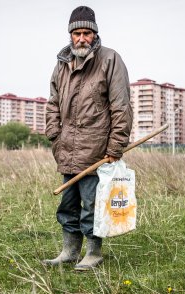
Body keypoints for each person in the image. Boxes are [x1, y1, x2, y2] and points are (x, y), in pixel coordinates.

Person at [43, 6, 133, 271]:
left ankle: (94, 253)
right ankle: (69, 252)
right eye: (77, 33)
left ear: (95, 34)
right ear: (70, 35)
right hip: (66, 149)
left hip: (97, 151)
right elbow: (52, 103)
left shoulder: (110, 60)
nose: (82, 38)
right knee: (67, 205)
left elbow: (122, 106)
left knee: (92, 206)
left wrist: (116, 146)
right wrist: (54, 135)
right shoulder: (61, 64)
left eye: (87, 33)